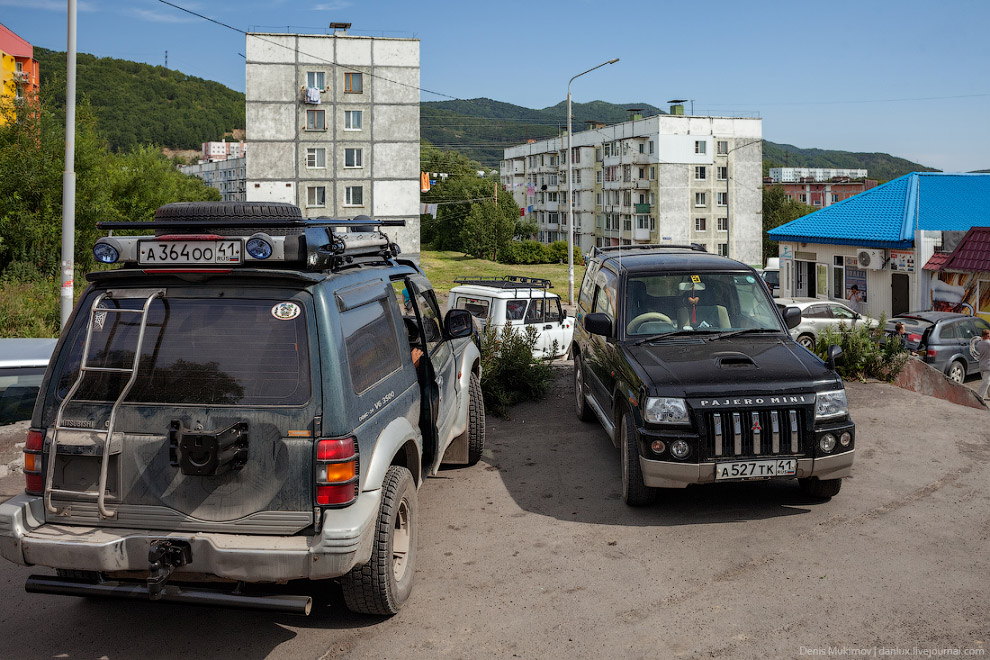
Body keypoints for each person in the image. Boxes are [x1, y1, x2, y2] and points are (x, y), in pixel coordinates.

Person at [977, 328, 990, 400]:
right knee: (985, 382)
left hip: (982, 364)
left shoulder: (979, 343)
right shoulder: (988, 343)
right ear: (987, 335)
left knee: (988, 381)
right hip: (988, 365)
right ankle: (979, 396)